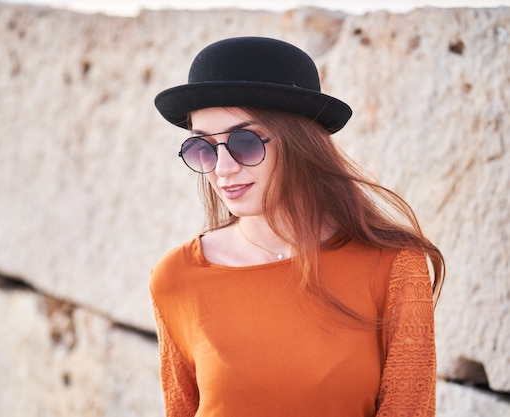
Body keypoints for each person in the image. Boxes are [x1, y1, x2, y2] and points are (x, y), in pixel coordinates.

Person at [149, 36, 445, 417]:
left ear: (300, 143)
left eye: (245, 142)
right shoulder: (176, 278)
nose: (222, 169)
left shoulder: (394, 265)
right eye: (203, 147)